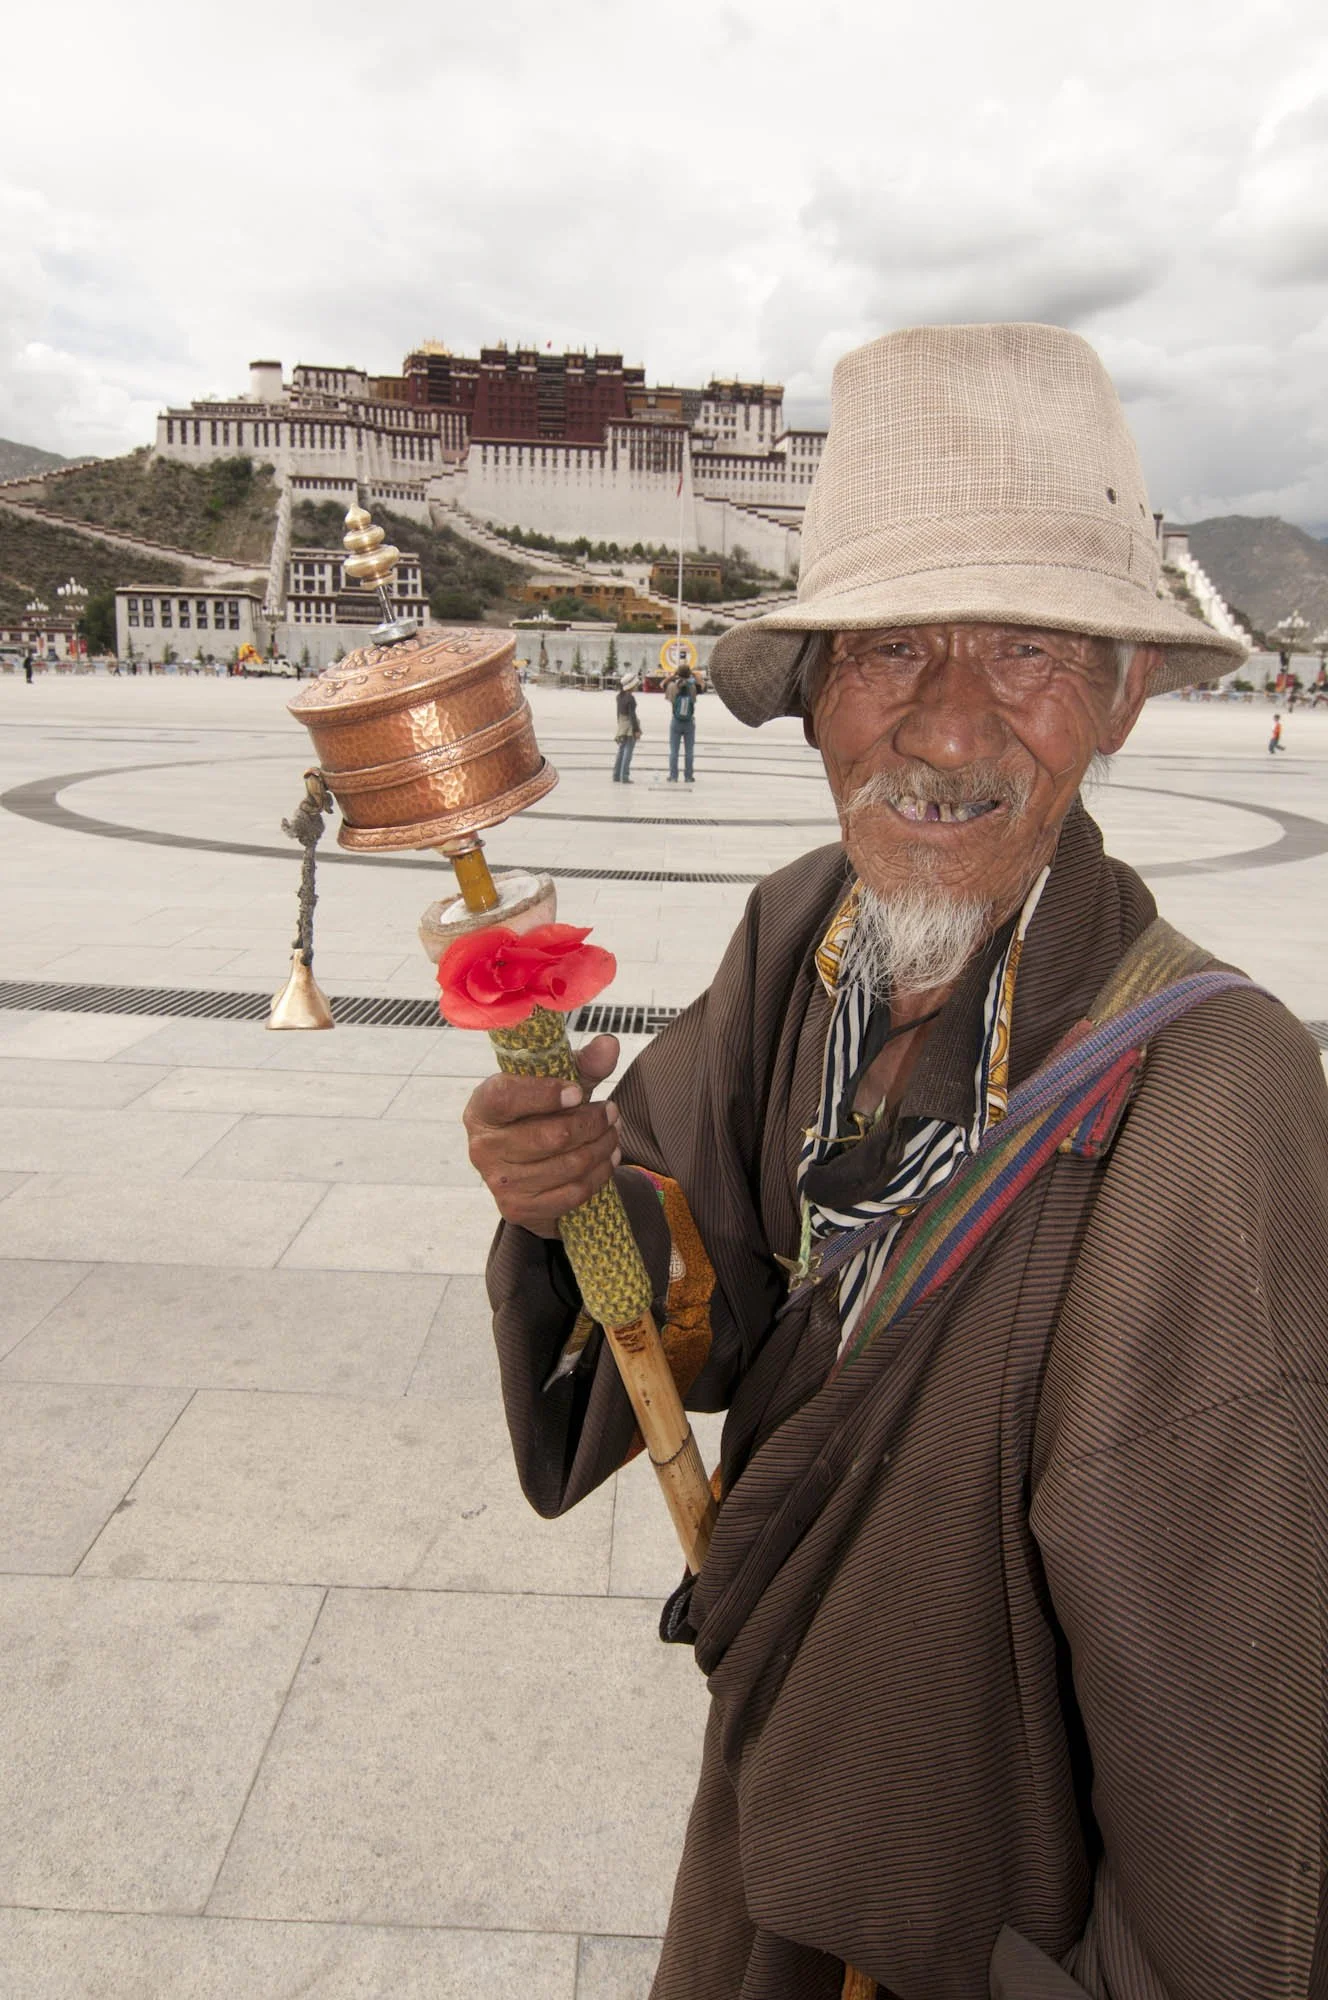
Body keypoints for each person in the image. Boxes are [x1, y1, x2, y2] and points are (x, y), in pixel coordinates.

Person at [465, 324, 1328, 1999]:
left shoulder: (1214, 1095)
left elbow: (1221, 1714)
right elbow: (690, 1295)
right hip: (776, 1813)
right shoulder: (806, 929)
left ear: (1118, 699)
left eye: (1023, 650)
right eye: (885, 653)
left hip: (972, 1902)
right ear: (811, 699)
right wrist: (574, 1198)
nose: (942, 728)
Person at [666, 661, 699, 781]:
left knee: (674, 751)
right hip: (689, 721)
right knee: (689, 751)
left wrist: (672, 676)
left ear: (678, 673)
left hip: (676, 720)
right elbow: (695, 698)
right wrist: (694, 676)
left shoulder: (672, 686)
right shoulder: (693, 687)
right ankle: (688, 776)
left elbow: (661, 685)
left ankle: (673, 776)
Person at [613, 672, 642, 782]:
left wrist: (620, 726)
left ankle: (616, 775)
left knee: (621, 750)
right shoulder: (630, 698)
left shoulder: (619, 696)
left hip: (622, 723)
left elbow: (618, 713)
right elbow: (632, 715)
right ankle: (624, 776)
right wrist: (636, 730)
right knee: (628, 751)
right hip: (629, 725)